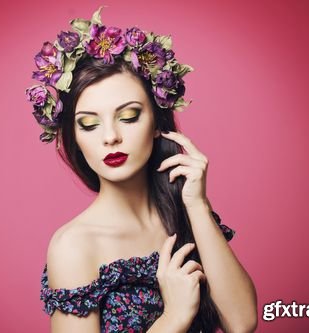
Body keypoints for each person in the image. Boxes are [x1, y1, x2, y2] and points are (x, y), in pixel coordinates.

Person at [25, 6, 258, 333]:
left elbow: (243, 321)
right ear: (75, 139)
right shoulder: (74, 246)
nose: (110, 137)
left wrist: (197, 205)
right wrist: (173, 318)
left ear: (156, 123)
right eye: (89, 125)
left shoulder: (185, 212)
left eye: (129, 116)